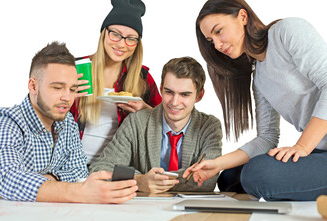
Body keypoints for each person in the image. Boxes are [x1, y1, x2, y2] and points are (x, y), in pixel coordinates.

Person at [183, 0, 327, 201]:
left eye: (218, 31)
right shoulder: (259, 77)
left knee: (256, 174)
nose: (216, 45)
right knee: (229, 178)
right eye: (210, 40)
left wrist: (302, 147)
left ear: (242, 17)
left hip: (313, 151)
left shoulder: (287, 31)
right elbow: (267, 138)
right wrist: (218, 163)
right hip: (319, 153)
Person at [0, 42, 138, 203]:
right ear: (33, 86)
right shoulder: (3, 121)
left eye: (72, 89)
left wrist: (50, 181)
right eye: (57, 87)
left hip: (34, 217)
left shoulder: (67, 122)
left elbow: (79, 172)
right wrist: (79, 191)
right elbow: (9, 179)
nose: (67, 97)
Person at [89, 57, 222, 193]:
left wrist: (153, 181)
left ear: (199, 96)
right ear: (161, 89)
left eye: (184, 95)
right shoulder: (136, 122)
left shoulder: (209, 126)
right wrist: (139, 180)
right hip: (142, 210)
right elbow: (100, 169)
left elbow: (207, 180)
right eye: (169, 92)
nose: (175, 102)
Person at [70, 0, 162, 161]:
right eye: (116, 34)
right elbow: (44, 112)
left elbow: (167, 122)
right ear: (104, 32)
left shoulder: (143, 78)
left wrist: (145, 109)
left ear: (137, 43)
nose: (121, 44)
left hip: (116, 166)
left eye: (131, 38)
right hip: (70, 164)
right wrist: (67, 98)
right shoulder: (77, 68)